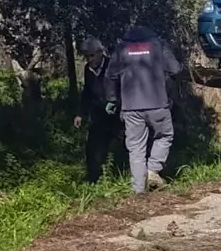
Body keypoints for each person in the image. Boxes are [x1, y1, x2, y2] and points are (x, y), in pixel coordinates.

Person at [106, 25, 183, 193]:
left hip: (131, 107)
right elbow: (175, 69)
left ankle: (139, 190)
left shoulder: (121, 49)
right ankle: (153, 169)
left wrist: (112, 100)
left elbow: (110, 75)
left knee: (135, 147)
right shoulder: (159, 45)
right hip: (158, 104)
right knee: (165, 136)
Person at [74, 37, 119, 184]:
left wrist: (117, 103)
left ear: (100, 52)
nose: (89, 59)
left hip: (116, 114)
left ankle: (118, 175)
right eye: (86, 56)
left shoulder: (112, 65)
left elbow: (123, 88)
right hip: (98, 114)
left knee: (118, 147)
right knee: (93, 147)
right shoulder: (88, 70)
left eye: (92, 55)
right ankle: (94, 180)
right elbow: (87, 92)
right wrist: (81, 113)